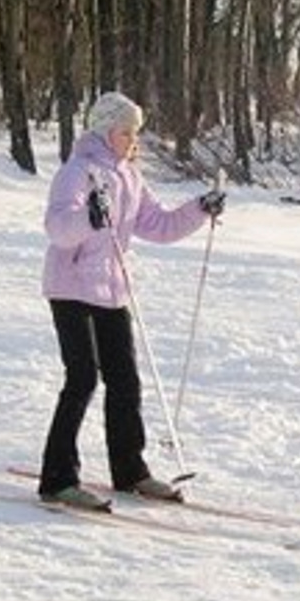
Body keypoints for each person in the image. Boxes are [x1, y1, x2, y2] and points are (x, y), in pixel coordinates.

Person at [38, 91, 225, 509]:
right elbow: (58, 228)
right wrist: (89, 216)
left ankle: (130, 471)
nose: (133, 139)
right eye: (126, 132)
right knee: (82, 379)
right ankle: (58, 478)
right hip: (70, 288)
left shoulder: (129, 176)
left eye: (135, 132)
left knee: (125, 381)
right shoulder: (77, 172)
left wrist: (200, 208)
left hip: (112, 290)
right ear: (106, 132)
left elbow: (159, 225)